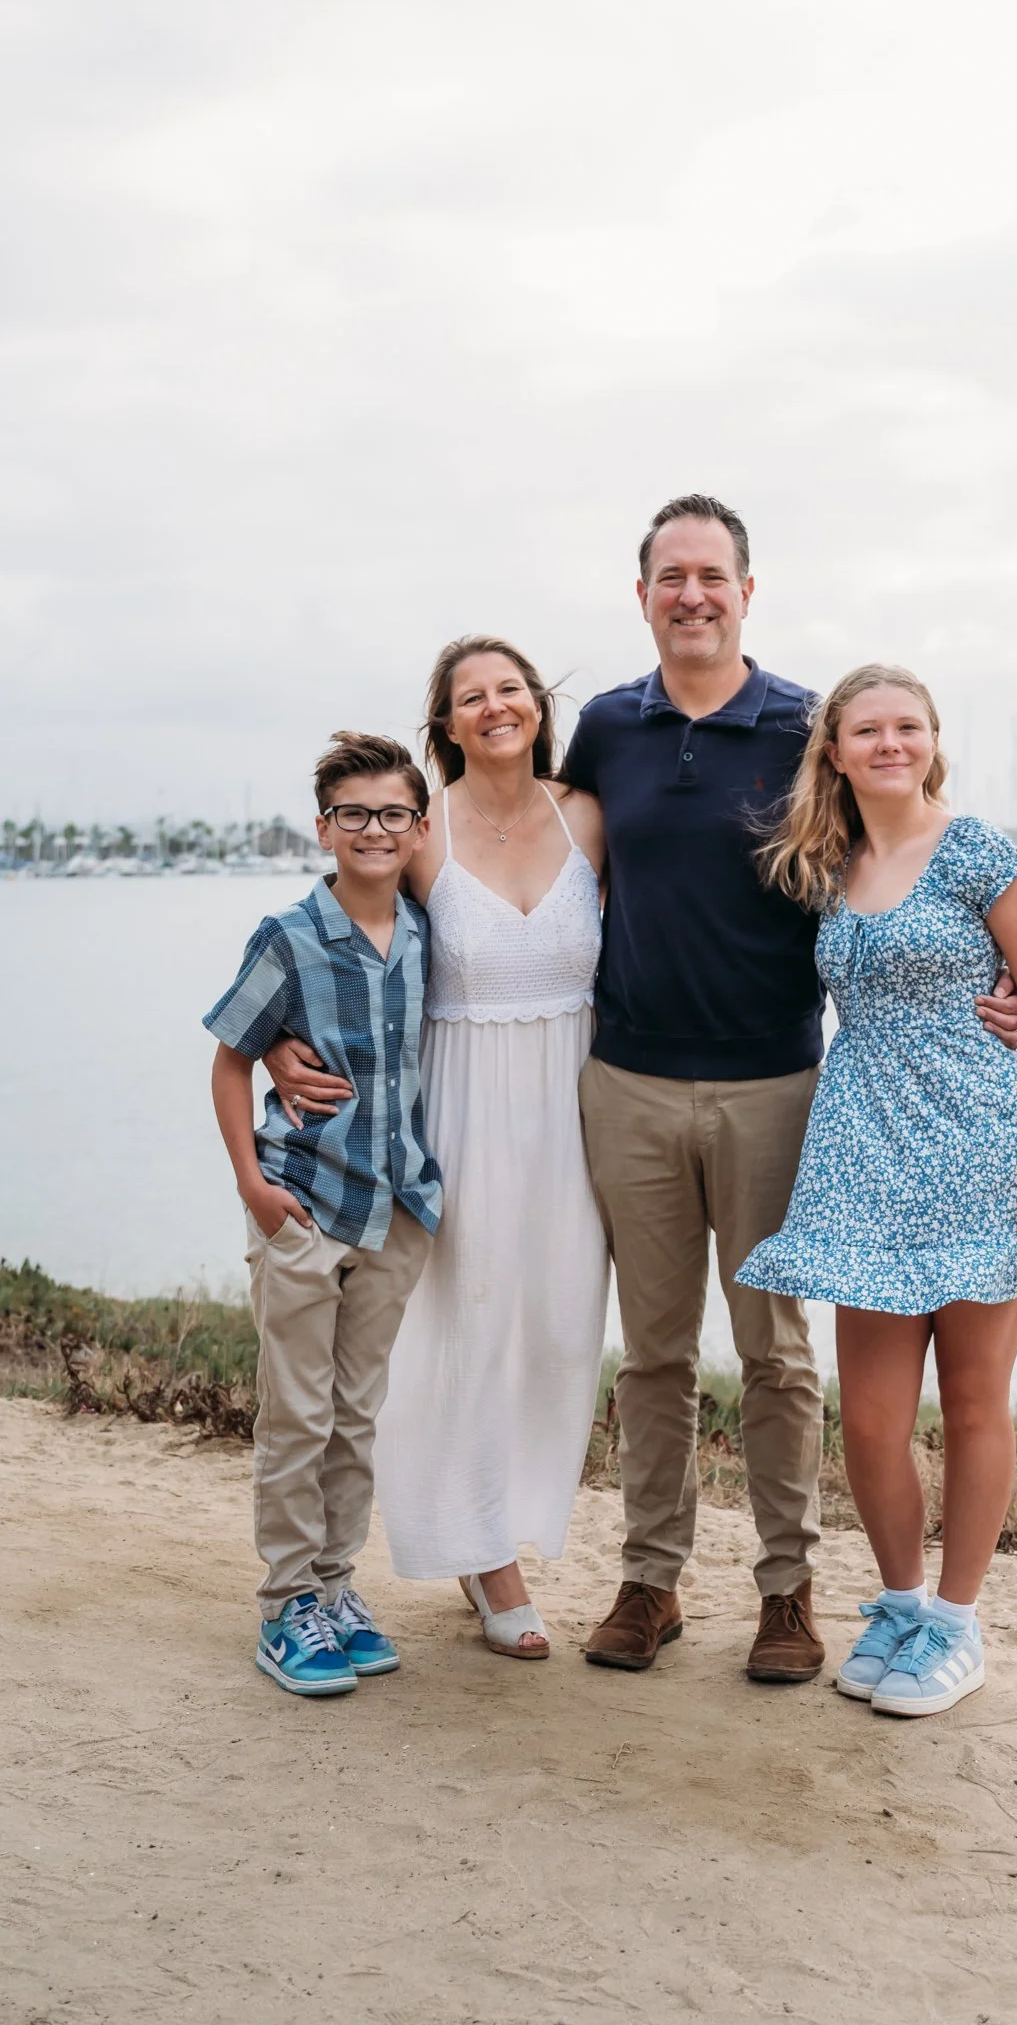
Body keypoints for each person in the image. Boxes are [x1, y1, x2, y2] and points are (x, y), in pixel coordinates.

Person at [564, 494, 1017, 1682]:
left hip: (781, 1086)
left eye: (712, 575)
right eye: (671, 576)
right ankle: (649, 1582)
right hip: (629, 1081)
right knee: (654, 1353)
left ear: (746, 591)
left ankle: (788, 1593)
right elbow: (534, 863)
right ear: (644, 594)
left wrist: (1001, 986)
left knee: (776, 1356)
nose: (692, 594)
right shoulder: (608, 730)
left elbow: (900, 863)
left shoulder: (803, 725)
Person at [737, 666, 1017, 1719]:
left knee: (974, 1404)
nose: (891, 744)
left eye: (909, 727)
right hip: (861, 1160)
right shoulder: (827, 864)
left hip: (979, 1148)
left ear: (934, 740)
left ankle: (959, 1626)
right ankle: (899, 1603)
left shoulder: (976, 851)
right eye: (867, 730)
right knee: (874, 1423)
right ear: (834, 751)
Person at [266, 639, 607, 1660]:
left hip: (576, 1098)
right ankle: (479, 1551)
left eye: (510, 689)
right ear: (447, 724)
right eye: (472, 697)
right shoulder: (422, 831)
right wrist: (277, 1041)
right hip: (454, 1097)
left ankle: (513, 1519)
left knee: (555, 1328)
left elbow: (668, 928)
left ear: (537, 707)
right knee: (462, 1324)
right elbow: (339, 930)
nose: (495, 707)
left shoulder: (586, 815)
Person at [206, 733, 441, 1697]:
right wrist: (253, 1190)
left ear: (418, 829)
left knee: (355, 1417)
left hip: (394, 1210)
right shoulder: (289, 936)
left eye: (392, 814)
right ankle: (285, 1605)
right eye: (354, 815)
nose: (373, 830)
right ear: (324, 827)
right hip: (304, 1202)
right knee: (297, 1417)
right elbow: (230, 1056)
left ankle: (337, 1589)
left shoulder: (426, 933)